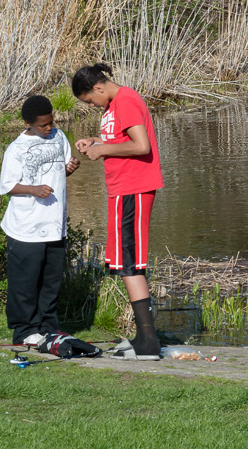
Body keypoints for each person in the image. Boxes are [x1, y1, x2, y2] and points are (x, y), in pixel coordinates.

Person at [72, 63, 163, 358]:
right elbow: (120, 141)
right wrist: (96, 142)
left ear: (98, 88)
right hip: (121, 191)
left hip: (134, 189)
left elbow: (141, 146)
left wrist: (103, 149)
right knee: (125, 261)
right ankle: (143, 338)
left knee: (130, 263)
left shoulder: (125, 100)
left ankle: (148, 343)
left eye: (88, 100)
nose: (90, 105)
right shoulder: (112, 106)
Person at [0, 93, 79, 351]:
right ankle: (25, 331)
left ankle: (48, 327)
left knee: (50, 281)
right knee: (25, 284)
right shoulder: (16, 149)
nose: (49, 127)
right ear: (28, 124)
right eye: (43, 125)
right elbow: (8, 186)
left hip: (54, 224)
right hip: (25, 228)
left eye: (51, 122)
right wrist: (34, 190)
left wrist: (70, 167)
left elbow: (62, 165)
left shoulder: (58, 137)